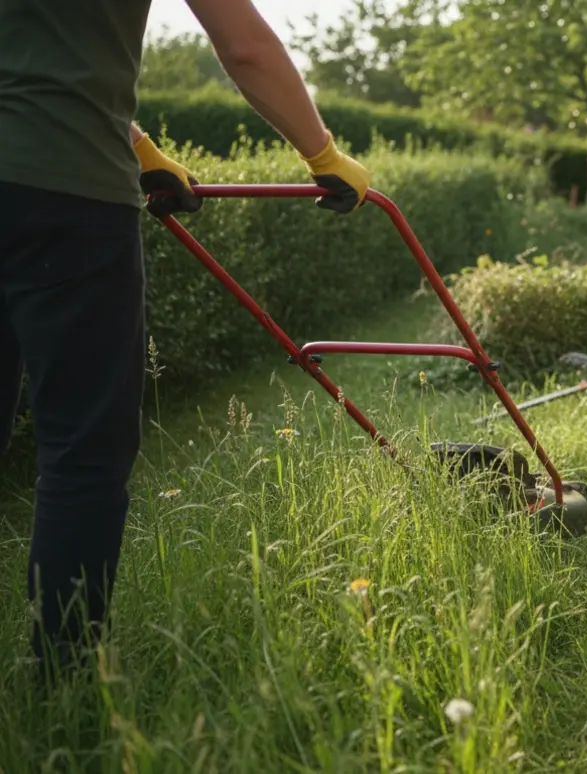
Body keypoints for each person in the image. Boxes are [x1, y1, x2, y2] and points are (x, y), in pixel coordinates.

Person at [0, 0, 371, 678]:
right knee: (83, 453)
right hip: (67, 196)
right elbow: (243, 44)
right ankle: (62, 690)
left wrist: (137, 145)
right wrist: (322, 153)